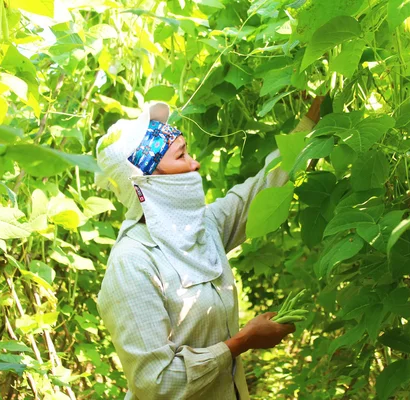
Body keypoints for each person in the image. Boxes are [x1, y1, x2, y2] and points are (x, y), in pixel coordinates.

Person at [95, 98, 322, 399]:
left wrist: (313, 120)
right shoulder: (132, 265)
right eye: (182, 156)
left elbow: (261, 188)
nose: (195, 163)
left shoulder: (201, 228)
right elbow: (156, 384)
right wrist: (244, 341)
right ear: (146, 181)